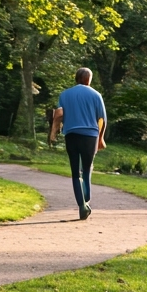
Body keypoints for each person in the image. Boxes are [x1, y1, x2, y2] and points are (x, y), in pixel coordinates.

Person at [53, 67, 107, 219]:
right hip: (90, 136)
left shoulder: (64, 94)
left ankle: (81, 205)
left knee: (75, 172)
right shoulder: (96, 95)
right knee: (87, 169)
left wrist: (53, 132)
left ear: (76, 78)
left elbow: (60, 114)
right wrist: (101, 137)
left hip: (71, 135)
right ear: (89, 79)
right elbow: (102, 119)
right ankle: (87, 200)